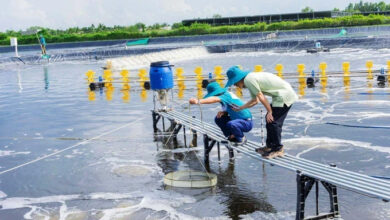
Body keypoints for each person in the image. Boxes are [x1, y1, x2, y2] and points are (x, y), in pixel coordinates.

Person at [225, 66, 298, 159]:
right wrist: (240, 108)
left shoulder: (248, 80)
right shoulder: (249, 79)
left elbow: (261, 96)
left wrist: (270, 111)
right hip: (279, 96)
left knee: (274, 122)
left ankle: (278, 149)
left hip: (284, 96)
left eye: (234, 82)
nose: (235, 85)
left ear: (238, 79)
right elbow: (255, 101)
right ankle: (270, 146)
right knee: (270, 121)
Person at [189, 81, 253, 145]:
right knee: (219, 118)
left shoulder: (225, 95)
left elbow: (214, 99)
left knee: (231, 124)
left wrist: (198, 101)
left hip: (246, 122)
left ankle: (241, 138)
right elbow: (233, 108)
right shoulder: (225, 97)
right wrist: (224, 112)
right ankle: (231, 136)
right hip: (238, 121)